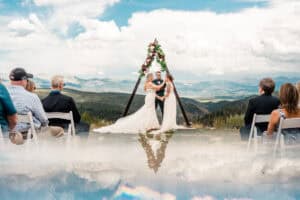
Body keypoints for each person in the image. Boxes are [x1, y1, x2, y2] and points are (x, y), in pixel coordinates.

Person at [93, 73, 165, 134]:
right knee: (149, 110)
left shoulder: (147, 84)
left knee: (150, 111)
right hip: (150, 98)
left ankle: (151, 125)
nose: (153, 77)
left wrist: (155, 93)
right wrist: (164, 81)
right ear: (149, 77)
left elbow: (148, 90)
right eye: (152, 76)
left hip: (149, 97)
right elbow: (158, 87)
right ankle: (149, 125)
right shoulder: (150, 83)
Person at [7, 68, 61, 138]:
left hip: (5, 131)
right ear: (24, 80)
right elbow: (43, 120)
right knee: (59, 130)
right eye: (27, 80)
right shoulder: (32, 97)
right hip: (29, 133)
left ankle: (16, 137)